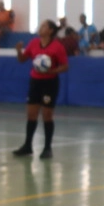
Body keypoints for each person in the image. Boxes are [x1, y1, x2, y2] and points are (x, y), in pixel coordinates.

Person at [13, 20, 69, 159]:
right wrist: (19, 51)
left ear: (50, 30)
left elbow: (65, 66)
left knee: (47, 115)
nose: (41, 27)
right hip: (35, 82)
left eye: (44, 26)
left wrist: (52, 71)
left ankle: (47, 148)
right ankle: (27, 146)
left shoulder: (57, 46)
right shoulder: (33, 43)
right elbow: (22, 60)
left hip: (49, 83)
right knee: (31, 114)